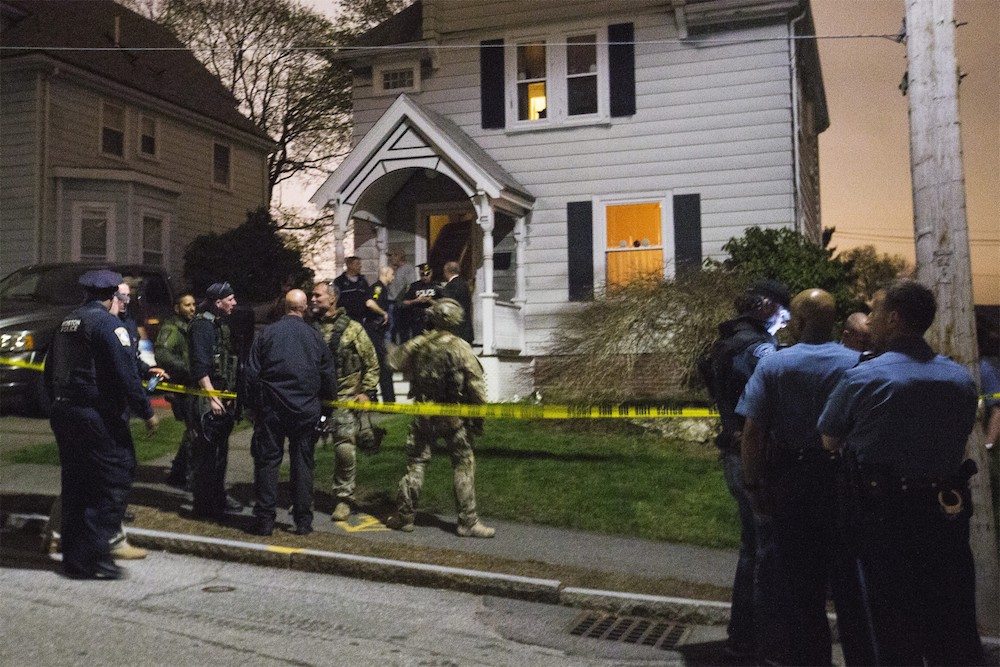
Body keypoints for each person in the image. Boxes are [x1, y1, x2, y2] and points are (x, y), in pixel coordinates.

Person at [819, 279, 986, 666]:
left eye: (875, 312)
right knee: (949, 624)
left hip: (881, 519)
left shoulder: (864, 377)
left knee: (888, 627)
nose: (870, 320)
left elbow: (829, 439)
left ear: (894, 318)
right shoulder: (960, 379)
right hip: (945, 517)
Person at [736, 289, 861, 666]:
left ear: (802, 322)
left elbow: (753, 431)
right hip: (843, 480)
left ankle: (810, 658)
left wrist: (753, 483)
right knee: (849, 583)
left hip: (793, 480)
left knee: (801, 587)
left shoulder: (775, 365)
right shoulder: (858, 363)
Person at [43, 269, 158, 579]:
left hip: (65, 412)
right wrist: (147, 412)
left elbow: (48, 370)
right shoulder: (108, 324)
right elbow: (126, 374)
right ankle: (96, 558)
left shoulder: (67, 322)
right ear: (110, 296)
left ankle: (75, 559)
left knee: (75, 484)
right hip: (96, 417)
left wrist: (57, 404)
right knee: (112, 479)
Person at [699, 278, 789, 661]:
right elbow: (776, 398)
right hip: (756, 456)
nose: (784, 324)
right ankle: (766, 642)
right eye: (783, 316)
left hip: (733, 452)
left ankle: (742, 637)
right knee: (768, 549)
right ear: (766, 306)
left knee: (751, 547)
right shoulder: (760, 348)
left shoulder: (723, 343)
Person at [386, 298, 494, 538]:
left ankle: (405, 516)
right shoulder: (460, 347)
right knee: (463, 463)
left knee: (416, 463)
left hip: (424, 415)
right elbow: (476, 386)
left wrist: (414, 344)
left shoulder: (420, 343)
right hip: (454, 418)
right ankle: (468, 521)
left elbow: (393, 361)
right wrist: (479, 418)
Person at [245, 290, 336, 536]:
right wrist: (327, 411)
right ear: (304, 308)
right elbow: (328, 376)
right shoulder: (315, 337)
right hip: (305, 410)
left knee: (267, 463)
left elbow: (251, 373)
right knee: (303, 464)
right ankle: (303, 521)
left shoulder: (267, 334)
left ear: (285, 307)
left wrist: (253, 406)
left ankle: (265, 519)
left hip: (272, 408)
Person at [309, 280, 380, 521]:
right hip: (315, 400)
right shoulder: (309, 328)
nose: (312, 299)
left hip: (344, 398)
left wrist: (367, 392)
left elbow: (372, 363)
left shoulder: (353, 329)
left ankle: (343, 498)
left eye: (317, 295)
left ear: (332, 298)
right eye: (311, 295)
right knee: (306, 446)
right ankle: (304, 495)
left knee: (344, 450)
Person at [188, 282, 242, 521]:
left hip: (220, 395)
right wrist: (212, 397)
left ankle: (217, 497)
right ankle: (203, 506)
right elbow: (200, 365)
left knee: (219, 453)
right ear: (218, 302)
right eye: (230, 299)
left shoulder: (218, 325)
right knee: (206, 455)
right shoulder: (202, 326)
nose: (234, 303)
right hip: (208, 398)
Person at [156, 292, 197, 490]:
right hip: (182, 387)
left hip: (190, 386)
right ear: (177, 308)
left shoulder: (188, 327)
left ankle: (178, 473)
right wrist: (188, 369)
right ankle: (187, 476)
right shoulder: (171, 329)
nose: (192, 308)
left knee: (193, 430)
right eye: (187, 305)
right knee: (194, 431)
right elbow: (162, 354)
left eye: (193, 304)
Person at [365, 265, 396, 403]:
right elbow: (370, 303)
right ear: (385, 274)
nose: (393, 277)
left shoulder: (382, 288)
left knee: (380, 366)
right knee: (384, 367)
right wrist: (384, 313)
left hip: (378, 332)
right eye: (392, 274)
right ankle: (388, 401)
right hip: (374, 332)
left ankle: (382, 400)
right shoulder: (378, 288)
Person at [399, 263, 442, 341]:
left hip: (433, 320)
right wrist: (416, 301)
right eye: (422, 274)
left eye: (427, 274)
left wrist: (430, 300)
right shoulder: (414, 286)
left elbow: (443, 304)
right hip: (417, 319)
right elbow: (404, 302)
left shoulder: (437, 286)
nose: (425, 277)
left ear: (431, 273)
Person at [386, 247, 415, 344]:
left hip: (401, 303)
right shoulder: (391, 269)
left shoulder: (408, 268)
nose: (391, 258)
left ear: (400, 256)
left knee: (403, 328)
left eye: (393, 256)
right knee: (390, 327)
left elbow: (410, 286)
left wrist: (404, 300)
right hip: (390, 302)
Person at [442, 261, 474, 344]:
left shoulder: (451, 286)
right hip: (466, 326)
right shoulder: (464, 284)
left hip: (457, 329)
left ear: (446, 272)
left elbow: (448, 304)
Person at [333, 256, 370, 323]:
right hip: (344, 318)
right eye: (357, 264)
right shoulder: (339, 281)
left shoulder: (363, 281)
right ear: (349, 265)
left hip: (360, 318)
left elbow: (368, 297)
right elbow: (334, 298)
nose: (360, 266)